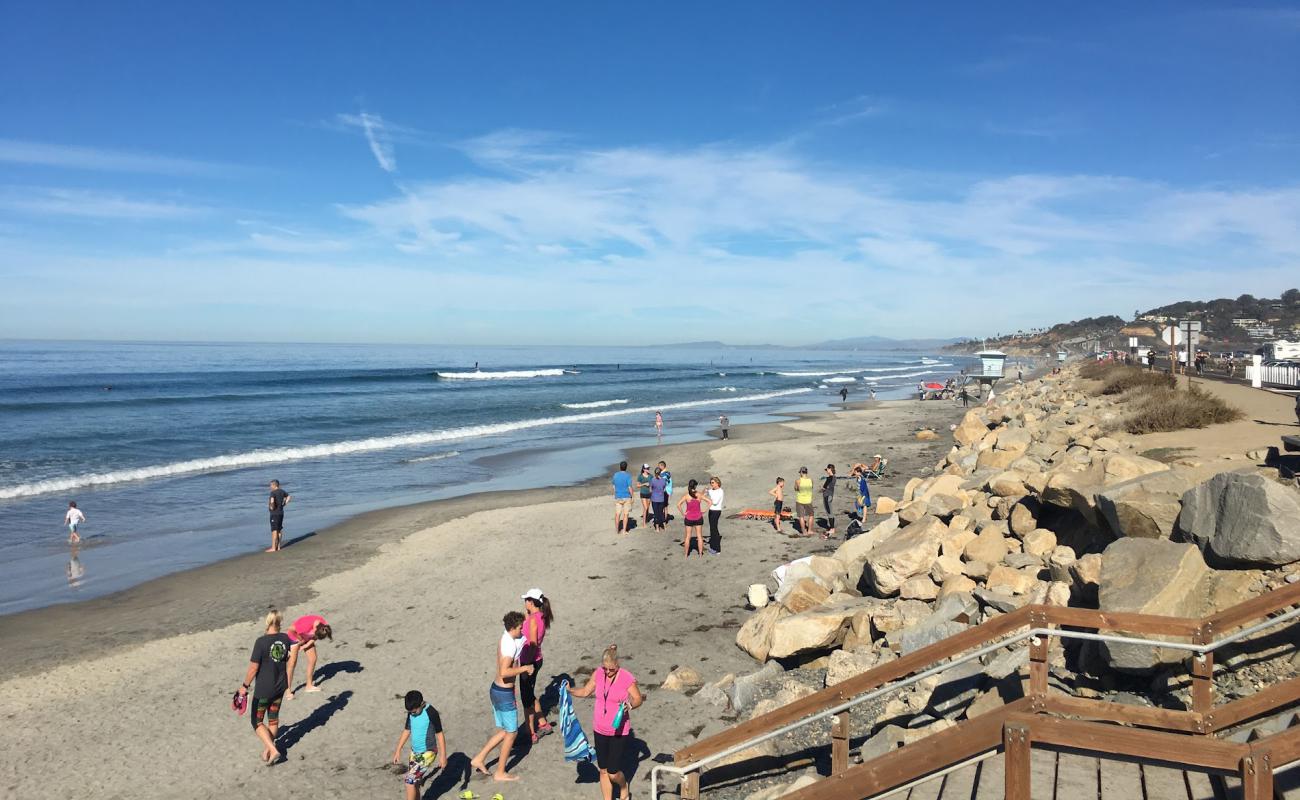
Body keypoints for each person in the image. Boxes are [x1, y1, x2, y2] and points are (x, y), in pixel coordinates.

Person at [567, 645, 643, 800]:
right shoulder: (599, 673)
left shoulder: (626, 677)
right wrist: (570, 691)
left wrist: (630, 705)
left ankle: (623, 787)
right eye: (605, 669)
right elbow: (586, 691)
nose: (607, 672)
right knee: (603, 770)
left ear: (617, 665)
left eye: (611, 670)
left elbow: (638, 699)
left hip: (618, 730)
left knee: (613, 772)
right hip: (599, 728)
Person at [471, 611, 534, 782]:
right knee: (512, 733)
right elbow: (504, 671)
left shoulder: (506, 637)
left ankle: (479, 758)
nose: (522, 631)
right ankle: (500, 772)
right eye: (520, 628)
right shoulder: (510, 646)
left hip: (496, 690)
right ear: (513, 628)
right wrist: (525, 668)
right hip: (504, 693)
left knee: (505, 731)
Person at [235, 610, 293, 765]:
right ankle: (268, 750)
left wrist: (244, 686)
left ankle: (273, 750)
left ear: (267, 623)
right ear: (279, 623)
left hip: (264, 690)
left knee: (257, 721)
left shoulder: (261, 642)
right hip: (280, 686)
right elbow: (287, 658)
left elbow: (253, 668)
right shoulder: (285, 638)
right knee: (273, 720)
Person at [391, 690, 447, 800]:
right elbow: (407, 730)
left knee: (409, 781)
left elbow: (440, 734)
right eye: (410, 712)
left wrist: (443, 756)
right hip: (414, 752)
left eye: (414, 712)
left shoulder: (431, 712)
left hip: (428, 752)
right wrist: (398, 749)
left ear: (421, 704)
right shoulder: (411, 712)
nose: (412, 714)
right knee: (415, 783)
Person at [519, 588, 555, 744]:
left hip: (530, 662)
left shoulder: (534, 620)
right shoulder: (540, 616)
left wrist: (526, 664)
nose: (524, 602)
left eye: (526, 600)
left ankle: (531, 732)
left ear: (531, 602)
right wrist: (527, 610)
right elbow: (527, 620)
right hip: (537, 660)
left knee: (526, 699)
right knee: (531, 695)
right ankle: (543, 723)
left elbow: (532, 644)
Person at [283, 614, 333, 700]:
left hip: (306, 638)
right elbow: (291, 629)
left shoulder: (323, 626)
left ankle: (309, 686)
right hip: (294, 637)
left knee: (313, 659)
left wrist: (306, 645)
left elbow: (315, 637)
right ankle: (288, 691)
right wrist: (300, 641)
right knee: (292, 663)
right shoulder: (306, 625)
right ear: (315, 628)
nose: (315, 636)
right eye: (315, 634)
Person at [677, 479, 706, 557]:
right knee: (699, 536)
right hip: (698, 517)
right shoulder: (699, 494)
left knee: (687, 537)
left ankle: (686, 554)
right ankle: (700, 554)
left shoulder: (687, 495)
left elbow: (678, 504)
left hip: (689, 518)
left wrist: (683, 513)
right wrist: (704, 511)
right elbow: (710, 502)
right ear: (695, 486)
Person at [267, 479, 291, 553]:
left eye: (271, 485)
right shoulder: (282, 491)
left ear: (274, 485)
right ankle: (279, 546)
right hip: (281, 513)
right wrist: (284, 504)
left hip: (274, 514)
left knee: (274, 530)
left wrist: (271, 507)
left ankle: (274, 547)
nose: (270, 487)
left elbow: (272, 502)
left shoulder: (273, 493)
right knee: (279, 529)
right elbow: (289, 497)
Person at [611, 461, 633, 535]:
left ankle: (617, 530)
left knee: (617, 514)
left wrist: (615, 493)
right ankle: (624, 531)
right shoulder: (628, 476)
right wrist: (632, 496)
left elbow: (613, 485)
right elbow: (629, 487)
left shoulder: (615, 475)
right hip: (626, 496)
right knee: (626, 514)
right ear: (626, 467)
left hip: (618, 496)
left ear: (620, 467)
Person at [705, 477, 724, 555]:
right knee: (712, 528)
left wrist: (707, 499)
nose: (711, 484)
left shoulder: (720, 491)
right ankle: (713, 545)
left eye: (712, 482)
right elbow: (704, 493)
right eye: (710, 482)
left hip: (716, 512)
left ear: (717, 483)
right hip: (711, 511)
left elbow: (715, 502)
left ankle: (717, 549)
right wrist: (705, 491)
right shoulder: (712, 490)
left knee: (714, 529)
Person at [794, 467, 815, 537]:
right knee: (811, 515)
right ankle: (809, 530)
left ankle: (804, 531)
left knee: (801, 516)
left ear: (801, 472)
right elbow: (811, 488)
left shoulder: (798, 481)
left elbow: (796, 489)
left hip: (800, 500)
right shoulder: (811, 480)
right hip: (808, 500)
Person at [649, 467, 668, 531]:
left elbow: (650, 490)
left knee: (656, 513)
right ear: (660, 473)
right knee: (661, 513)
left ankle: (657, 528)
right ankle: (664, 526)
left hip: (654, 499)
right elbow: (664, 489)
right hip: (661, 498)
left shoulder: (652, 480)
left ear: (655, 473)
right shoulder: (663, 480)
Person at [821, 464, 837, 539]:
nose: (826, 471)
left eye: (827, 470)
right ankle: (832, 528)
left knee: (829, 512)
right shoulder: (833, 477)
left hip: (827, 496)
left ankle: (832, 528)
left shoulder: (830, 478)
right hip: (829, 495)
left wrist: (822, 488)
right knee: (830, 511)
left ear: (830, 469)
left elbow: (824, 487)